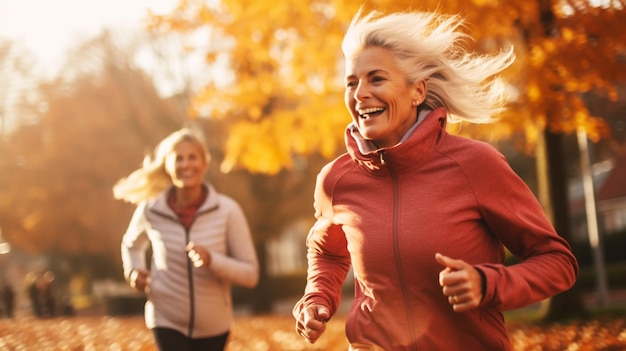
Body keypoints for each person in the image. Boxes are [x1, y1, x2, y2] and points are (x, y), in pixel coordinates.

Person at [293, 9, 578, 351]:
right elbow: (328, 250)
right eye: (352, 83)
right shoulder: (337, 180)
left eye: (376, 79)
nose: (360, 93)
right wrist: (316, 298)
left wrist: (488, 284)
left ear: (417, 91)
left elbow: (557, 262)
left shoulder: (474, 165)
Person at [114, 127, 259, 351]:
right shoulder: (152, 209)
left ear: (204, 163)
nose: (185, 164)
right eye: (178, 158)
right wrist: (133, 271)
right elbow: (131, 245)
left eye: (192, 157)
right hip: (165, 317)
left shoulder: (227, 210)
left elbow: (250, 275)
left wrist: (212, 260)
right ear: (167, 166)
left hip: (214, 324)